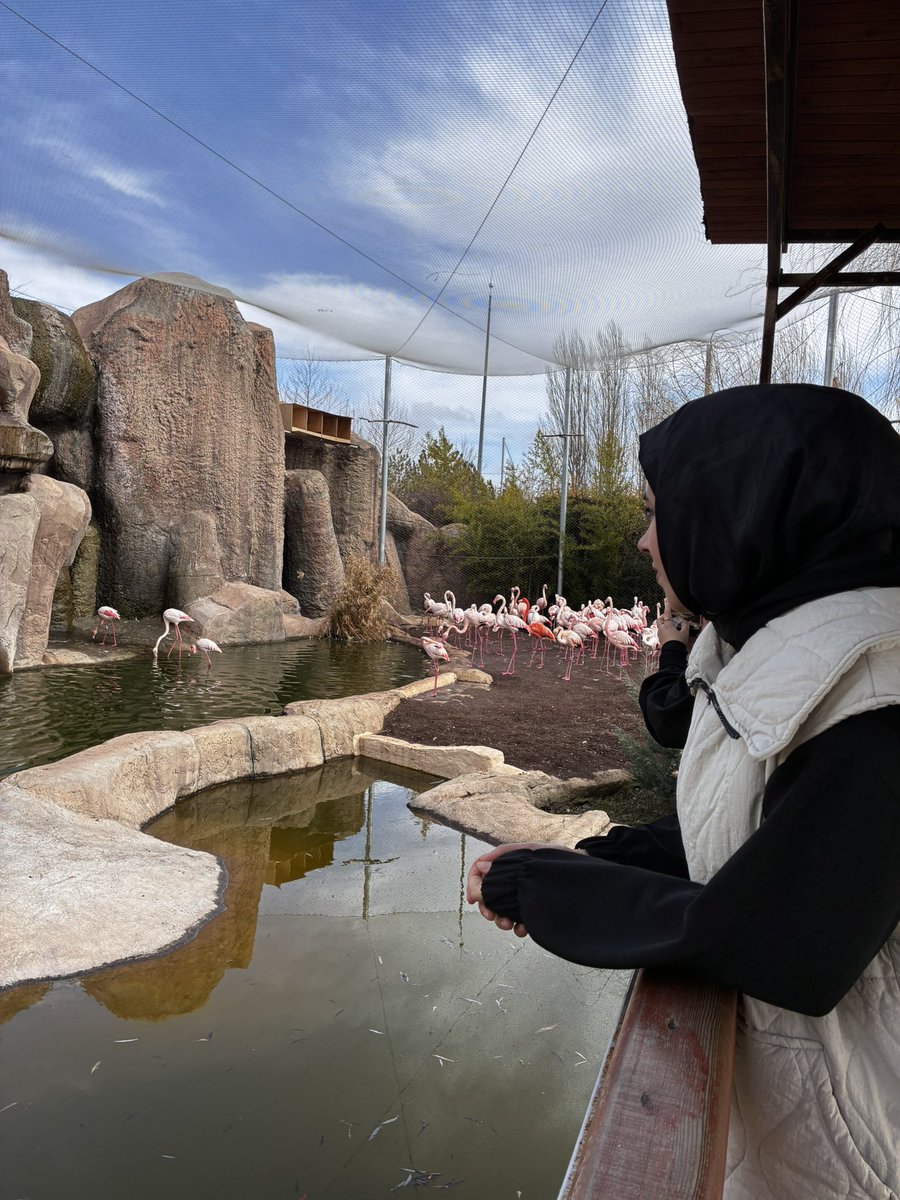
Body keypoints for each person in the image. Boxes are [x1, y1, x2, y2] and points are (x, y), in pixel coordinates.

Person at [466, 383, 900, 1200]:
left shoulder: (878, 700)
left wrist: (551, 891)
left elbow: (786, 936)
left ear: (738, 511)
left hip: (862, 1158)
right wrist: (596, 852)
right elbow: (762, 829)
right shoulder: (774, 657)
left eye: (658, 511)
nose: (642, 542)